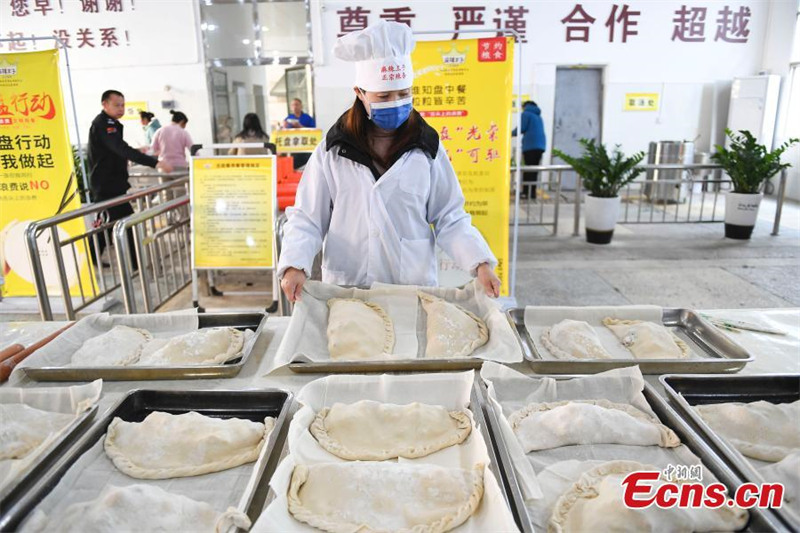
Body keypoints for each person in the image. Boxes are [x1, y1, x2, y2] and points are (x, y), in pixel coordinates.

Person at [278, 21, 501, 302]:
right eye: (383, 96)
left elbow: (450, 217)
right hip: (350, 282)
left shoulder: (427, 148)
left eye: (404, 94)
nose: (395, 103)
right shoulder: (333, 150)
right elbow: (308, 218)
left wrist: (480, 264)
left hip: (410, 283)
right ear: (360, 92)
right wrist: (294, 264)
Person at [87, 90, 172, 266]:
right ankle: (134, 263)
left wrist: (137, 151)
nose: (121, 108)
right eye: (117, 105)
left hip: (113, 184)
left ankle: (120, 261)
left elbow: (117, 148)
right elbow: (120, 148)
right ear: (105, 104)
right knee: (119, 224)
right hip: (106, 186)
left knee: (111, 225)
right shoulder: (104, 124)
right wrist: (154, 162)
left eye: (123, 105)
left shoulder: (111, 124)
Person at [512, 101, 547, 199]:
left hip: (530, 146)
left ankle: (526, 193)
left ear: (525, 106)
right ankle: (532, 193)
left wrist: (509, 133)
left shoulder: (526, 114)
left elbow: (521, 128)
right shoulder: (538, 116)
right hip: (540, 146)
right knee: (534, 171)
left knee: (527, 170)